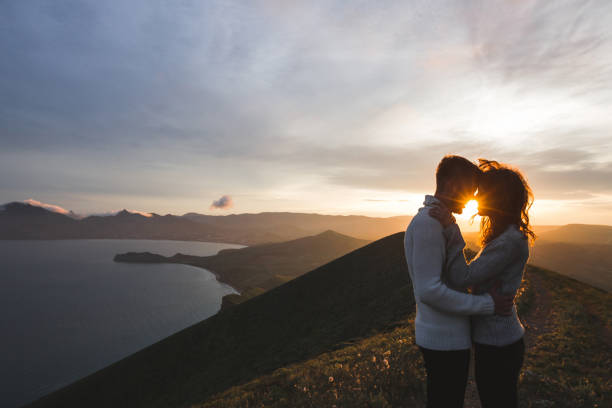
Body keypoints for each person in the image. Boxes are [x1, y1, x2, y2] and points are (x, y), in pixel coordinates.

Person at [403, 155, 514, 408]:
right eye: (470, 191)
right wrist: (488, 305)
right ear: (453, 185)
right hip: (444, 342)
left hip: (445, 339)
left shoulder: (438, 222)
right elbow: (429, 291)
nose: (472, 198)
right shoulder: (429, 224)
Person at [429, 158, 535, 408]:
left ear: (500, 198)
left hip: (498, 344)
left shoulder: (509, 241)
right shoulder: (505, 236)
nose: (477, 196)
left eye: (484, 191)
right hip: (497, 341)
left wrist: (451, 228)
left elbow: (462, 278)